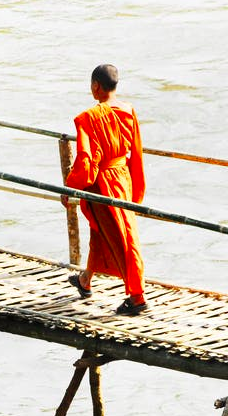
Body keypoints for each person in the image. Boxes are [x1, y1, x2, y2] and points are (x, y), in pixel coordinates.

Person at [61, 64, 148, 315]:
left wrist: (71, 188)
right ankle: (85, 280)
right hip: (123, 176)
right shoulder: (128, 111)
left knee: (123, 237)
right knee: (101, 231)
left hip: (103, 184)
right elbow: (137, 153)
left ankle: (136, 296)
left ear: (96, 86)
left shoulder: (88, 118)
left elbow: (87, 160)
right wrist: (136, 185)